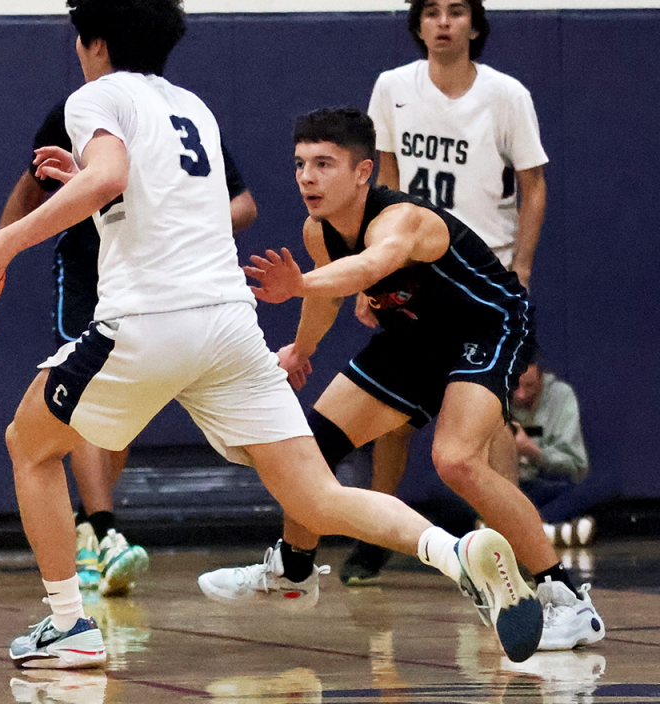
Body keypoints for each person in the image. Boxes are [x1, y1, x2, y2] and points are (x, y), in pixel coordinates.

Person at [0, 0, 542, 670]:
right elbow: (147, 193)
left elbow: (108, 177)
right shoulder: (190, 105)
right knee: (315, 496)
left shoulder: (91, 98)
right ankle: (456, 551)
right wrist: (93, 185)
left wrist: (4, 244)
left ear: (94, 44)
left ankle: (67, 624)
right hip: (229, 329)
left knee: (28, 444)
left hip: (147, 325)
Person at [199, 108, 600, 654]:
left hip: (487, 328)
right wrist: (300, 349)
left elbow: (369, 269)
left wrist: (299, 285)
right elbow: (330, 297)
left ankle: (568, 600)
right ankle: (292, 572)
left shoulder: (402, 221)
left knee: (456, 460)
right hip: (413, 339)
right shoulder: (318, 231)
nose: (307, 178)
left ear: (364, 172)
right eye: (299, 165)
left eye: (323, 164)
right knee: (308, 450)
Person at [0, 100, 257, 595]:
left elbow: (243, 205)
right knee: (79, 401)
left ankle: (88, 528)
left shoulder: (176, 115)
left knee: (115, 421)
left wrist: (171, 218)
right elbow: (30, 186)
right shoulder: (73, 111)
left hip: (154, 277)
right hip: (89, 270)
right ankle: (106, 531)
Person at [342, 0, 550, 586]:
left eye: (455, 12)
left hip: (483, 274)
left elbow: (534, 185)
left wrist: (524, 265)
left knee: (489, 417)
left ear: (474, 25)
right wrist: (368, 274)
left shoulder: (507, 95)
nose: (443, 22)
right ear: (419, 25)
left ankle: (509, 544)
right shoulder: (392, 88)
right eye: (431, 12)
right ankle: (381, 536)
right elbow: (379, 180)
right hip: (412, 266)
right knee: (393, 410)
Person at [510, 361, 597, 547]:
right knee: (442, 487)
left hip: (538, 488)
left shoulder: (560, 395)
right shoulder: (491, 395)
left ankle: (510, 530)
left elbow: (576, 466)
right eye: (515, 385)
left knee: (593, 489)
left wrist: (532, 451)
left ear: (541, 379)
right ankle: (549, 532)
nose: (521, 394)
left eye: (529, 386)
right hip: (498, 488)